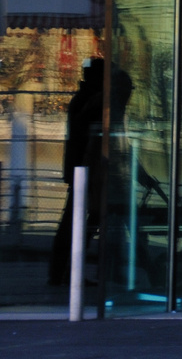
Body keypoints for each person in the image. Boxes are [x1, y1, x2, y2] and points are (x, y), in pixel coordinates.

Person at [49, 59, 105, 286]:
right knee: (78, 223)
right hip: (86, 169)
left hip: (80, 168)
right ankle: (64, 272)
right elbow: (89, 136)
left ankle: (62, 272)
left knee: (75, 222)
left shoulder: (82, 100)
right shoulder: (90, 102)